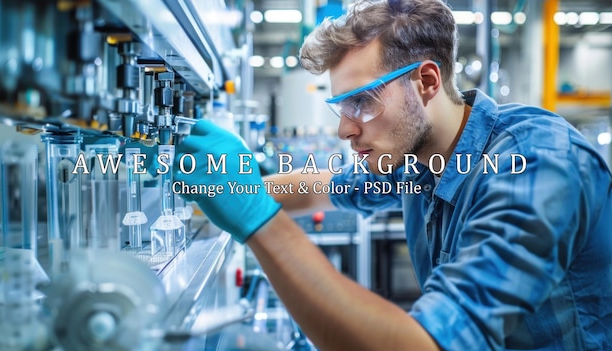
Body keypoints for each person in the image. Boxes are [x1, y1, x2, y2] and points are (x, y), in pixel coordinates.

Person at [173, 0, 612, 349]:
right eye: (341, 107)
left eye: (361, 102)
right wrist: (216, 190)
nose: (345, 128)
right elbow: (319, 186)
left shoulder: (536, 162)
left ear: (425, 81)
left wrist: (255, 220)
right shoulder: (420, 161)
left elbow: (427, 345)